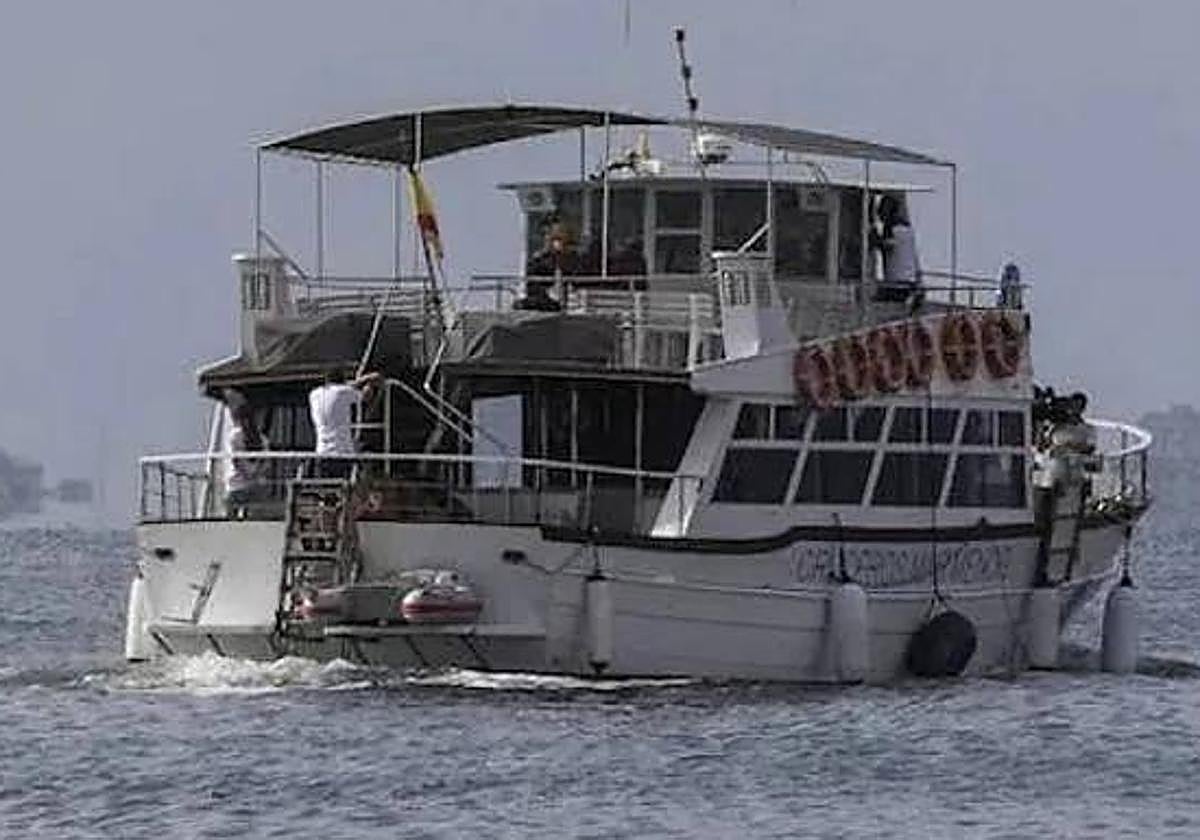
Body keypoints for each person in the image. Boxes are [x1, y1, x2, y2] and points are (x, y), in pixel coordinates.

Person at [308, 369, 382, 478]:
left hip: (321, 452)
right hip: (342, 452)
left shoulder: (314, 394)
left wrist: (361, 379)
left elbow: (340, 388)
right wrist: (369, 383)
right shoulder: (343, 392)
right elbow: (366, 397)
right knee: (345, 487)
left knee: (326, 490)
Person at [871, 194, 921, 304]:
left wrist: (875, 239)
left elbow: (889, 245)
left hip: (897, 281)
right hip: (910, 280)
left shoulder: (891, 228)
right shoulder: (908, 228)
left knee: (875, 300)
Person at [224, 401, 267, 516]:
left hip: (237, 485)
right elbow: (264, 463)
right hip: (248, 485)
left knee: (231, 521)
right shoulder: (262, 439)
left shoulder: (234, 436)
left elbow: (237, 460)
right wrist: (254, 472)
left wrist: (250, 472)